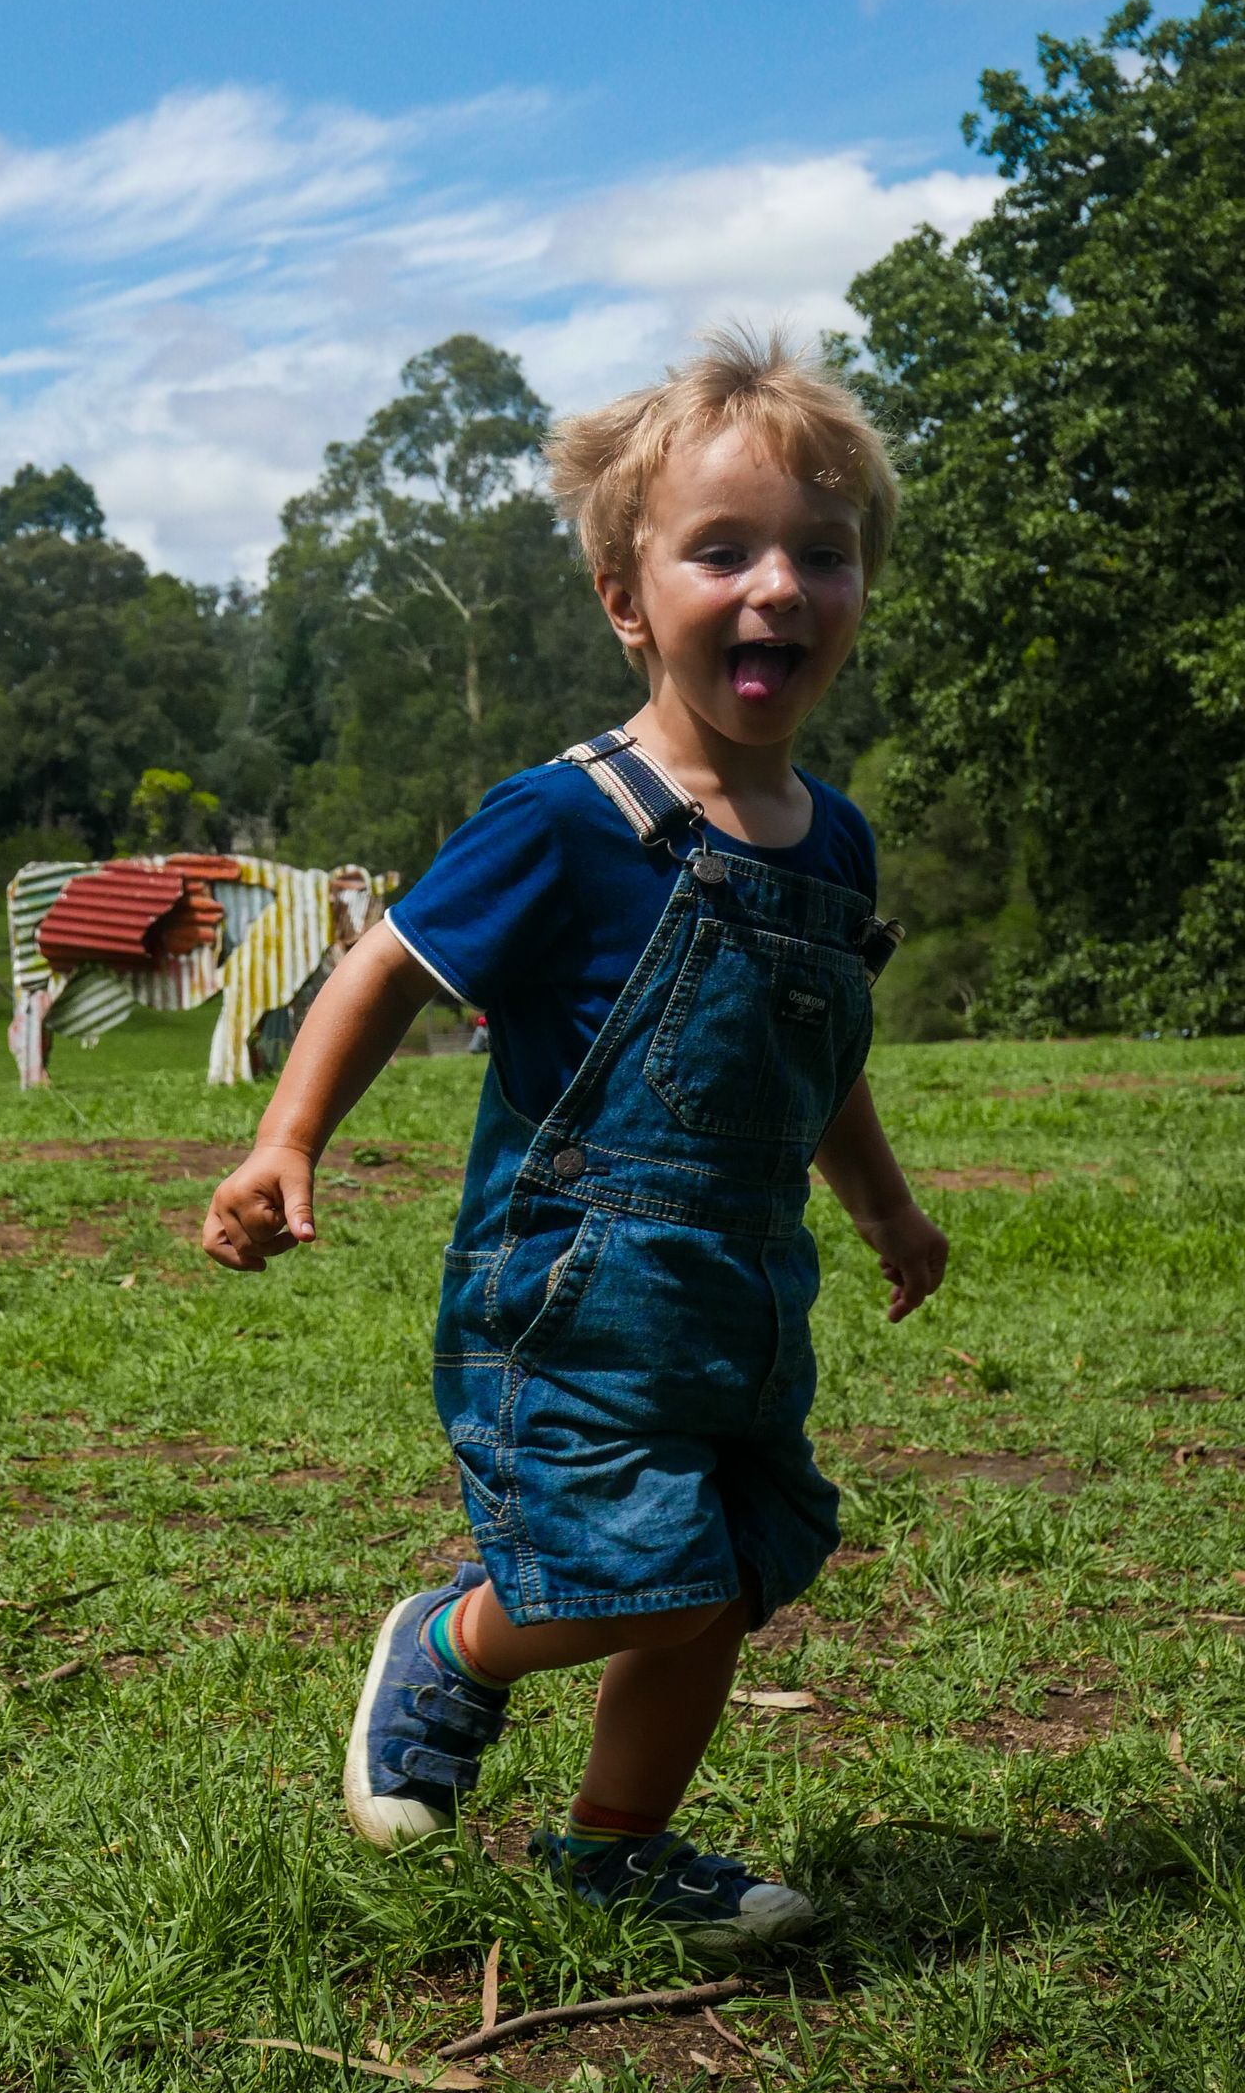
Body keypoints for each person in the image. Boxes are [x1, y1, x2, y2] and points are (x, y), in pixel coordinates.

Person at [203, 328, 948, 1948]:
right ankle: (451, 1646)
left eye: (822, 556)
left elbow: (817, 1053)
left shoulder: (838, 844)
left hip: (745, 1292)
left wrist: (885, 1210)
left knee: (729, 1574)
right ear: (628, 596)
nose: (777, 588)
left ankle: (616, 1848)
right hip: (577, 1290)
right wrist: (288, 1137)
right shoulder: (568, 816)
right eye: (723, 550)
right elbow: (387, 961)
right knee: (652, 1575)